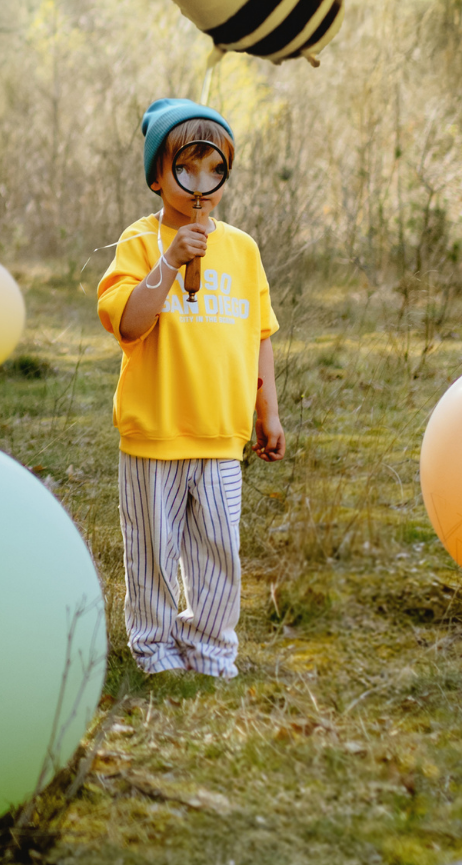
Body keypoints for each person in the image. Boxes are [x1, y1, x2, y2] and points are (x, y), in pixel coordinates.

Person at [96, 98, 284, 679]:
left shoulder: (243, 249)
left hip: (222, 434)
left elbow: (260, 336)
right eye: (187, 168)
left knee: (218, 553)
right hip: (156, 431)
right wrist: (171, 261)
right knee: (153, 549)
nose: (200, 184)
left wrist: (267, 413)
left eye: (214, 169)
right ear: (158, 176)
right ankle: (154, 649)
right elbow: (129, 322)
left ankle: (209, 649)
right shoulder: (139, 241)